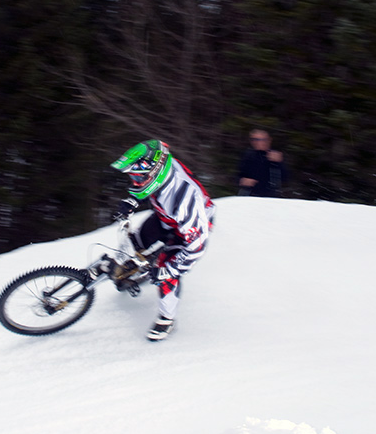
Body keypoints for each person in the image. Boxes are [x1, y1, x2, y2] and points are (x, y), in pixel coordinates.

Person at [108, 139, 215, 341]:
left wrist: (169, 270)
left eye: (138, 177)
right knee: (137, 240)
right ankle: (135, 269)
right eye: (132, 177)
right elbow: (148, 184)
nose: (135, 181)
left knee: (167, 274)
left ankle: (167, 319)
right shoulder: (162, 167)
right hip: (166, 216)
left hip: (190, 230)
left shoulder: (184, 200)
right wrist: (133, 200)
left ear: (154, 173)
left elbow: (197, 247)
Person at [237, 129, 288, 197]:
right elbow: (238, 175)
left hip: (270, 196)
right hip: (249, 195)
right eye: (255, 139)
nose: (259, 142)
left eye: (263, 139)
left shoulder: (275, 155)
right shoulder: (247, 155)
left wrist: (279, 163)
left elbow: (285, 178)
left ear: (269, 140)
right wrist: (242, 181)